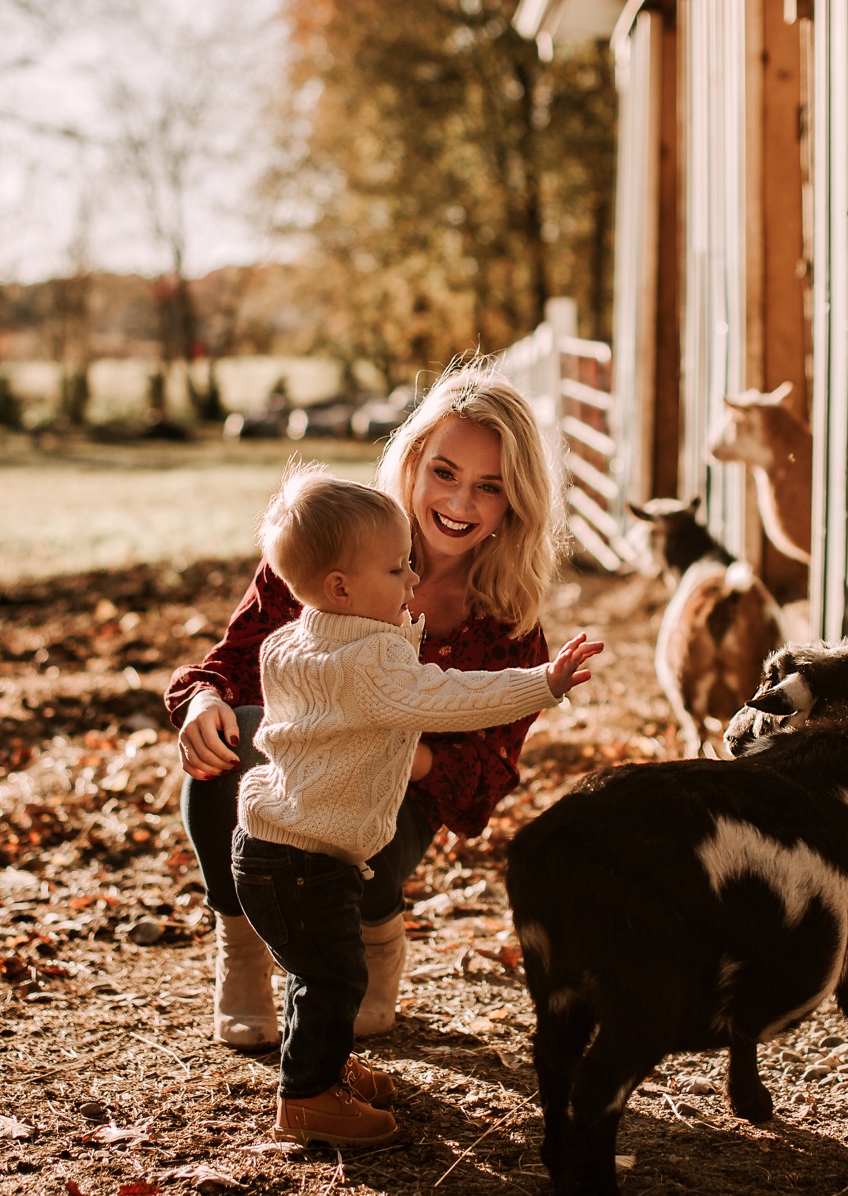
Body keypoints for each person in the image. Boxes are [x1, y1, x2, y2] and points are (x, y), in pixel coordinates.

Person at [167, 365, 569, 1052]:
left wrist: (387, 740)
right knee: (233, 740)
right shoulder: (335, 540)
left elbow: (487, 771)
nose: (459, 500)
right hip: (295, 763)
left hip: (398, 796)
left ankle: (378, 932)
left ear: (515, 501)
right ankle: (241, 948)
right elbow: (234, 659)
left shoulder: (508, 620)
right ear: (411, 461)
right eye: (444, 471)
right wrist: (201, 697)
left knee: (364, 846)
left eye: (489, 486)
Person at [231, 466, 601, 1143]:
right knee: (336, 973)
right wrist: (543, 684)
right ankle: (307, 1097)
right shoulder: (373, 662)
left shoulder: (294, 641)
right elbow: (454, 696)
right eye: (398, 569)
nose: (411, 581)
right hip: (307, 859)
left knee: (318, 970)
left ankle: (323, 1061)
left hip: (268, 846)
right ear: (342, 587)